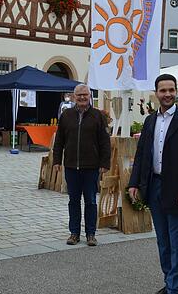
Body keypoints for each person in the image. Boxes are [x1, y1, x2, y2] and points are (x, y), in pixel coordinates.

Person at [127, 74, 178, 294]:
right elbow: (142, 155)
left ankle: (174, 289)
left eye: (171, 90)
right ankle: (169, 280)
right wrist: (134, 183)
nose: (167, 94)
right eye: (163, 90)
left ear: (175, 92)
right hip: (154, 187)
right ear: (156, 93)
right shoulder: (150, 120)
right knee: (163, 242)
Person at [52, 83, 111, 247]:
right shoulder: (66, 115)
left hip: (91, 167)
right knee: (73, 201)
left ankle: (91, 234)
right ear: (73, 97)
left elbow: (105, 142)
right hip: (71, 166)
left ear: (89, 96)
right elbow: (59, 141)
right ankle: (74, 233)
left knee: (91, 201)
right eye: (79, 95)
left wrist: (105, 163)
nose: (82, 98)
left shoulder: (98, 116)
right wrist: (57, 161)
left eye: (85, 95)